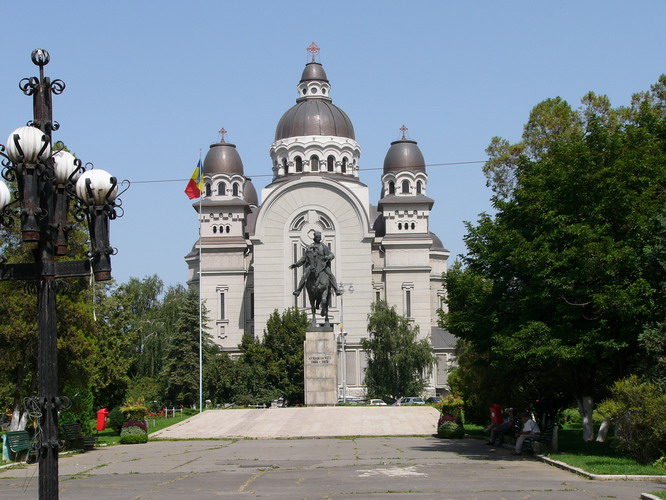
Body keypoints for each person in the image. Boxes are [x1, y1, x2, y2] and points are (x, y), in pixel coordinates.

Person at [290, 231, 341, 296]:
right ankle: (298, 290)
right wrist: (296, 264)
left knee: (330, 275)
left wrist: (328, 257)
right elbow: (305, 257)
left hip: (322, 265)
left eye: (319, 237)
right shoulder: (310, 247)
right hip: (312, 265)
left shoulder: (324, 246)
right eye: (317, 237)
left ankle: (336, 290)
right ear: (314, 238)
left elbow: (332, 255)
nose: (319, 238)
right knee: (304, 276)